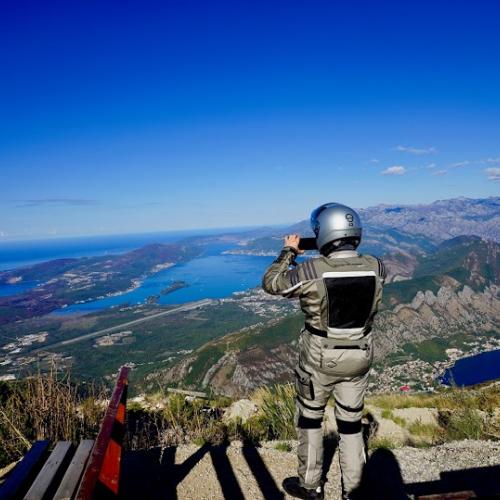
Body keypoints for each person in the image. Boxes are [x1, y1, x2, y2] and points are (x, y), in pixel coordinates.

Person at [262, 202, 386, 500]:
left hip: (321, 358)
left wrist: (289, 252)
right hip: (360, 355)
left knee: (310, 419)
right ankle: (354, 491)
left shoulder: (310, 270)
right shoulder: (377, 266)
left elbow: (272, 284)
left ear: (324, 234)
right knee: (351, 424)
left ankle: (310, 485)